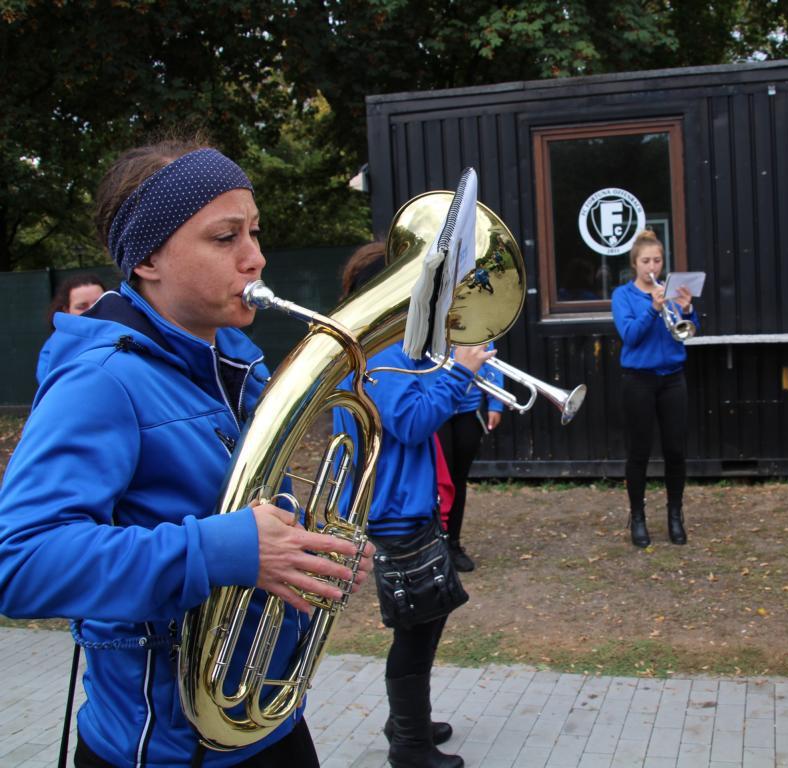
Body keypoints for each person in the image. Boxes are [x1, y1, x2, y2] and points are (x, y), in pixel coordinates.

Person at [0, 140, 372, 767]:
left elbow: (233, 513)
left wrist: (308, 547)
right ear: (148, 258)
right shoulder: (100, 380)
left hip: (267, 721)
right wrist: (225, 549)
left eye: (254, 231)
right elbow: (20, 562)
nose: (255, 257)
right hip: (165, 751)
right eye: (225, 237)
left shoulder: (236, 364)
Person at [337, 242, 494, 768]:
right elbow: (412, 422)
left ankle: (408, 721)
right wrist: (460, 373)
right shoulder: (377, 358)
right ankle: (408, 746)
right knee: (416, 630)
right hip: (395, 512)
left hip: (409, 504)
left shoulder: (391, 353)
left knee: (428, 618)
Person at [611, 229, 700, 547]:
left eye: (657, 261)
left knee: (676, 451)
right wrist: (652, 309)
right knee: (639, 453)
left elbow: (686, 332)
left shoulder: (670, 291)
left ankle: (675, 516)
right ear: (635, 263)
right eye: (646, 261)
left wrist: (687, 310)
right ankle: (637, 517)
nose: (652, 266)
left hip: (673, 378)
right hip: (638, 381)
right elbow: (630, 336)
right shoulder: (623, 296)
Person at [437, 342, 503, 572]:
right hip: (436, 410)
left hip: (468, 411)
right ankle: (436, 545)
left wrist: (495, 403)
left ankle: (453, 543)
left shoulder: (477, 327)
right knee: (438, 482)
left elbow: (492, 363)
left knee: (458, 480)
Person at [38, 274, 110, 382]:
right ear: (67, 310)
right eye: (81, 307)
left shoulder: (126, 334)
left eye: (99, 303)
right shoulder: (53, 348)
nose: (92, 310)